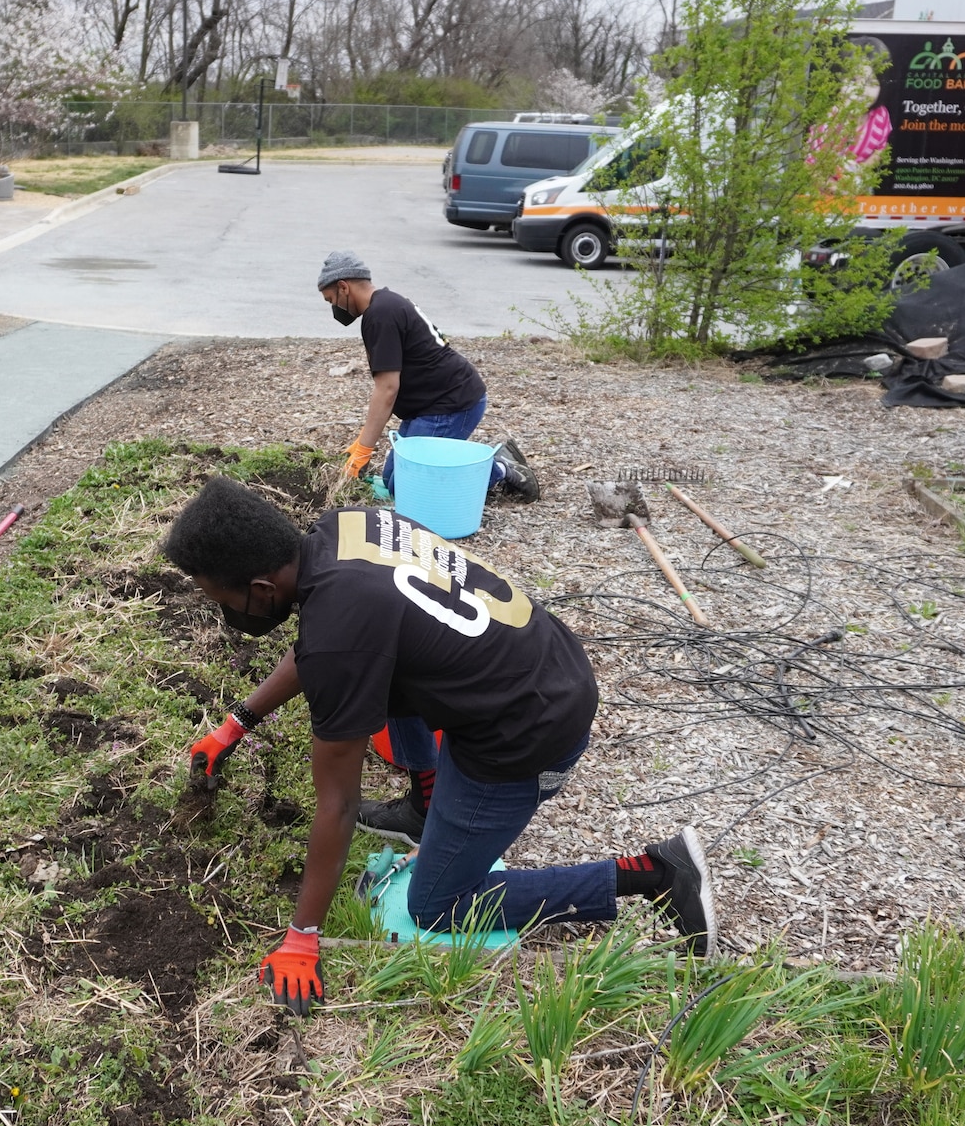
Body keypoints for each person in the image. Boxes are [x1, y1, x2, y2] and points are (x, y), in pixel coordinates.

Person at [168, 477, 715, 1017]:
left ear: (262, 588)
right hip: (545, 668)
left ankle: (655, 873)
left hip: (525, 734)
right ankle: (430, 808)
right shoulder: (344, 529)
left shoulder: (341, 630)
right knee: (377, 679)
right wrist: (237, 723)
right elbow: (321, 644)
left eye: (224, 600)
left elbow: (337, 805)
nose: (227, 614)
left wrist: (302, 935)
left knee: (437, 906)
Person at [317, 250, 539, 502]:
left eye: (330, 299)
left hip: (450, 406)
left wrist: (363, 451)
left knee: (407, 489)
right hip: (431, 406)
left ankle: (501, 468)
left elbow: (387, 390)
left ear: (343, 287)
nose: (334, 307)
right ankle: (465, 459)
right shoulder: (386, 303)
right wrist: (360, 444)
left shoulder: (380, 316)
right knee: (392, 480)